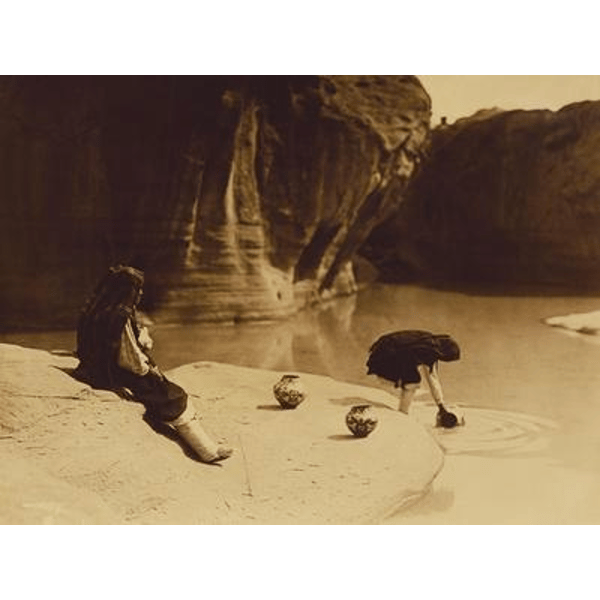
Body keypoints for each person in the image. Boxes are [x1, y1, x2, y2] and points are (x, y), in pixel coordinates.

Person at [75, 264, 233, 463]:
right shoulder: (120, 316)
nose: (140, 293)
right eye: (137, 289)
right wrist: (150, 370)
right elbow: (129, 359)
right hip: (112, 373)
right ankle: (207, 450)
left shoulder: (98, 308)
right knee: (173, 396)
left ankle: (206, 447)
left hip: (93, 368)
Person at [366, 330, 462, 427]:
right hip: (387, 353)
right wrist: (440, 404)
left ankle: (402, 412)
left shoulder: (429, 342)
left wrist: (440, 404)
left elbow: (431, 376)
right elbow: (432, 378)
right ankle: (402, 414)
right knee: (413, 381)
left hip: (385, 349)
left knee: (411, 379)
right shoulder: (429, 349)